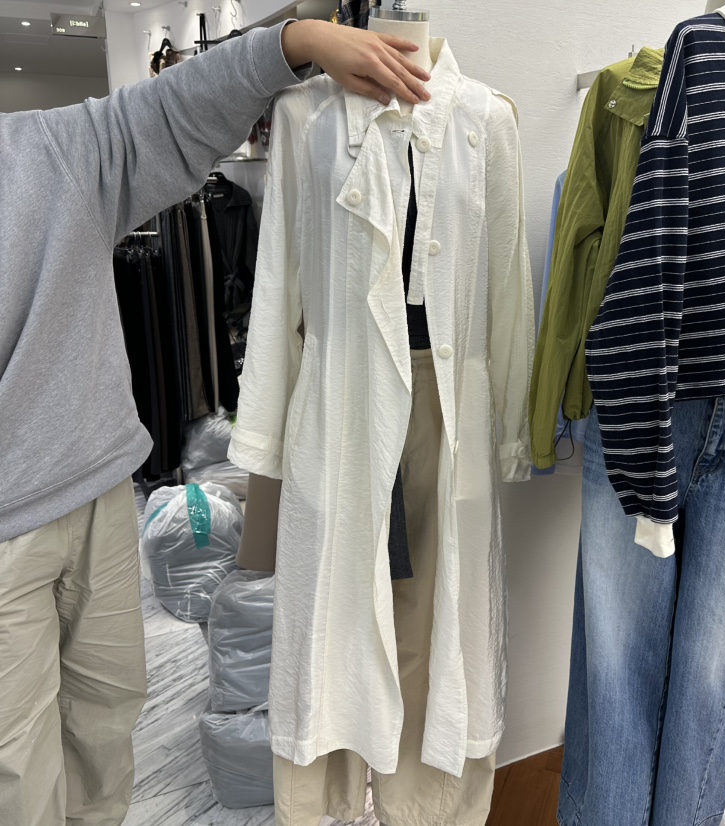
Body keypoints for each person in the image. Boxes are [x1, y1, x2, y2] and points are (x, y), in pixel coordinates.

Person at [0, 18, 430, 826]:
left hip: (94, 489)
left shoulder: (42, 151)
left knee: (106, 720)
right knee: (16, 768)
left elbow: (167, 113)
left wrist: (295, 40)